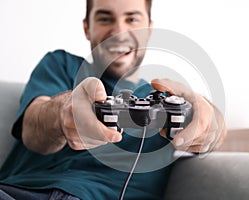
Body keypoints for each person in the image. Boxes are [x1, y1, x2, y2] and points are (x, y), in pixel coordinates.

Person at [0, 0, 227, 199]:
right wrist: (62, 114)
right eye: (105, 18)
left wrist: (207, 118)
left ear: (148, 28)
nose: (119, 31)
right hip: (18, 191)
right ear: (87, 27)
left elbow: (214, 133)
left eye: (132, 19)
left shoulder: (170, 98)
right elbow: (32, 128)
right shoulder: (61, 65)